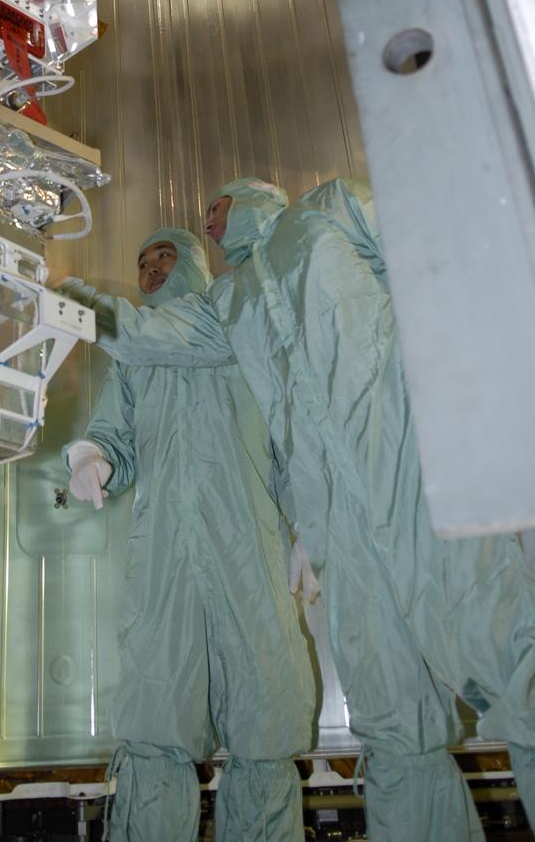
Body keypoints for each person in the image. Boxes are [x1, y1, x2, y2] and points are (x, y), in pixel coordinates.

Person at [62, 180, 535, 842]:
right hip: (297, 530)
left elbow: (431, 259)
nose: (208, 220)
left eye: (211, 210)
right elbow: (136, 358)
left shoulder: (323, 216)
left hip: (395, 476)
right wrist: (66, 314)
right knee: (388, 713)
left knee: (509, 657)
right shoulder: (220, 314)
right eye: (143, 262)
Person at [63, 227, 315, 842]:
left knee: (264, 712)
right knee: (156, 715)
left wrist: (311, 523)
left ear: (194, 262)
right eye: (142, 262)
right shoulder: (133, 358)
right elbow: (113, 431)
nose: (150, 269)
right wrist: (92, 455)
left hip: (246, 547)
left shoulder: (237, 323)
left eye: (164, 256)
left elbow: (288, 436)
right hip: (164, 554)